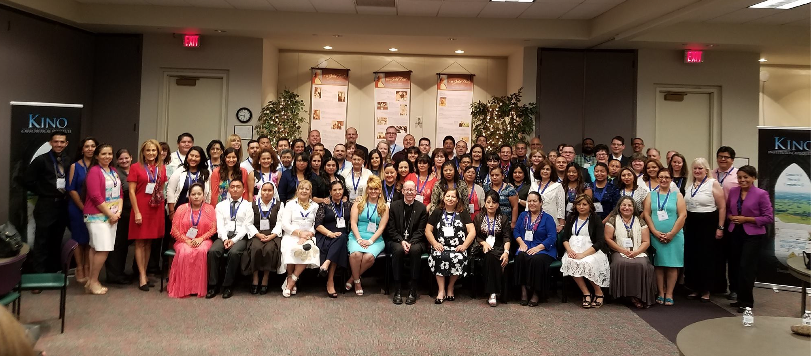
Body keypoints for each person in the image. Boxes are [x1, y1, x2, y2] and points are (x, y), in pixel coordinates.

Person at [23, 131, 71, 274]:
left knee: (57, 240)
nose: (59, 144)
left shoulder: (68, 160)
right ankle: (38, 275)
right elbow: (27, 181)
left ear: (66, 143)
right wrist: (43, 190)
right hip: (46, 204)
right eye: (56, 141)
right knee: (41, 241)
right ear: (51, 142)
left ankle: (53, 272)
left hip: (62, 205)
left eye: (62, 142)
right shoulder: (41, 160)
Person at [726, 165, 773, 312]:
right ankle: (739, 297)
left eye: (746, 177)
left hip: (753, 235)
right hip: (735, 232)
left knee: (746, 267)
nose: (742, 180)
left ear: (753, 178)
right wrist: (731, 217)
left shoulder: (761, 194)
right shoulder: (733, 191)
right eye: (740, 177)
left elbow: (768, 218)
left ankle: (746, 302)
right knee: (734, 266)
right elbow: (728, 210)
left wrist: (746, 219)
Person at [683, 158, 726, 303]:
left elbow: (722, 207)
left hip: (708, 223)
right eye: (695, 168)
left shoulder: (713, 184)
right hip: (691, 223)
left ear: (706, 170)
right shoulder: (689, 184)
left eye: (700, 168)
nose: (697, 171)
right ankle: (695, 287)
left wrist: (720, 227)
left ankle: (706, 290)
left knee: (707, 257)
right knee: (692, 256)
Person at [82, 144, 123, 295]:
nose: (107, 156)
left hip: (112, 216)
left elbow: (120, 194)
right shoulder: (94, 171)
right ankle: (93, 281)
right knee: (103, 249)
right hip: (97, 216)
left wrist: (117, 211)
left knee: (96, 248)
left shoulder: (113, 171)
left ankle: (91, 281)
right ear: (97, 156)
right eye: (104, 154)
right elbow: (95, 196)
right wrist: (110, 214)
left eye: (110, 154)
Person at [642, 169, 686, 306]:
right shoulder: (651, 195)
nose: (663, 179)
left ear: (671, 179)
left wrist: (672, 233)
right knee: (658, 265)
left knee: (673, 265)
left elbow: (683, 215)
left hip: (675, 236)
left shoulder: (677, 195)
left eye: (666, 177)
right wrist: (654, 231)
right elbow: (647, 214)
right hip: (656, 235)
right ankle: (661, 292)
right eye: (661, 177)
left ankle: (670, 293)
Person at [128, 139, 167, 291]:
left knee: (149, 242)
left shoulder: (161, 168)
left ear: (158, 152)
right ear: (143, 152)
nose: (151, 153)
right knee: (139, 242)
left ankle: (144, 272)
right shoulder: (135, 167)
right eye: (148, 150)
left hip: (155, 207)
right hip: (141, 207)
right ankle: (142, 275)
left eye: (154, 150)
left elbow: (161, 188)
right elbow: (131, 191)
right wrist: (137, 211)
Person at [604, 196, 656, 309]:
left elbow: (646, 241)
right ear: (619, 207)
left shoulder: (640, 221)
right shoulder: (613, 219)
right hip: (618, 250)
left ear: (634, 208)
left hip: (638, 251)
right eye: (624, 205)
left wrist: (637, 252)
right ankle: (626, 296)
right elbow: (608, 239)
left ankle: (640, 296)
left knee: (642, 264)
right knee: (620, 263)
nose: (626, 207)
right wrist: (622, 250)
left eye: (629, 205)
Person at [425, 188, 475, 304]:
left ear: (457, 200)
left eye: (453, 197)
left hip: (458, 248)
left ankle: (450, 287)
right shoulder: (437, 212)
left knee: (458, 257)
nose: (450, 199)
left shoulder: (463, 213)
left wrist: (464, 245)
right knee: (439, 256)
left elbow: (472, 231)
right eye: (448, 196)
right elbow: (428, 230)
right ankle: (441, 290)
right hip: (440, 246)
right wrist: (435, 243)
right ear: (443, 198)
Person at [167, 183, 216, 298]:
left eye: (199, 194)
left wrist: (201, 239)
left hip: (203, 239)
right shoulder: (181, 209)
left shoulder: (209, 209)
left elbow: (213, 228)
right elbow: (174, 229)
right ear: (189, 196)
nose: (196, 197)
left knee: (201, 251)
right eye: (193, 194)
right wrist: (186, 240)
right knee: (185, 252)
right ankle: (185, 287)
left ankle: (197, 287)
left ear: (204, 196)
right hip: (183, 240)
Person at [561, 194, 610, 309]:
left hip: (591, 250)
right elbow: (565, 238)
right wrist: (569, 250)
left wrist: (583, 254)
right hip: (572, 249)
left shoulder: (595, 219)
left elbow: (600, 241)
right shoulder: (571, 217)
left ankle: (599, 293)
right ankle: (586, 293)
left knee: (587, 263)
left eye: (584, 204)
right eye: (579, 204)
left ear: (590, 206)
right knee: (571, 262)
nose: (581, 207)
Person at [208, 179, 252, 299]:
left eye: (238, 187)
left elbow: (247, 226)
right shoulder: (221, 205)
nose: (235, 189)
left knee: (234, 252)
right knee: (213, 251)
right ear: (228, 189)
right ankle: (213, 285)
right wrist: (225, 239)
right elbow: (220, 225)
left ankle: (228, 285)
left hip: (240, 237)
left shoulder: (248, 206)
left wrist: (234, 240)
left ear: (243, 190)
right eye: (232, 187)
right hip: (224, 236)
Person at [386, 181, 428, 305]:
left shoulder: (421, 208)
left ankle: (412, 289)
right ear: (402, 191)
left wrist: (411, 242)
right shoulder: (394, 206)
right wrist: (402, 241)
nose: (409, 192)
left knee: (415, 250)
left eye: (412, 190)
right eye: (407, 190)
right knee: (398, 250)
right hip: (397, 240)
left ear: (416, 192)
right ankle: (397, 289)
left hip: (416, 241)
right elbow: (391, 229)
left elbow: (421, 230)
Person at [346, 175, 390, 295]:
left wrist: (370, 241)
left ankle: (353, 278)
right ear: (367, 189)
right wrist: (359, 239)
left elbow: (381, 227)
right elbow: (353, 223)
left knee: (368, 257)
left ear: (380, 190)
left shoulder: (384, 207)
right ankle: (358, 282)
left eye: (376, 189)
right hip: (357, 235)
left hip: (375, 238)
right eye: (371, 188)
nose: (373, 191)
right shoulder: (359, 203)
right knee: (356, 255)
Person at [512, 192, 557, 306]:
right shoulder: (523, 216)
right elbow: (516, 231)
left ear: (541, 203)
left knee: (536, 260)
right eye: (529, 201)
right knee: (520, 257)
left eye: (535, 201)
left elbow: (552, 237)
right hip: (525, 246)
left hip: (543, 249)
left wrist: (538, 248)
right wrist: (521, 243)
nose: (532, 203)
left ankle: (536, 294)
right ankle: (524, 292)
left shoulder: (547, 218)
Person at [278, 180, 321, 297]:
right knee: (291, 247)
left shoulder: (315, 206)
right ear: (297, 190)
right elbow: (285, 224)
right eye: (301, 188)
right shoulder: (290, 204)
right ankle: (289, 275)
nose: (304, 191)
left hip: (309, 236)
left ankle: (292, 280)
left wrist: (307, 236)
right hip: (292, 234)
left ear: (310, 192)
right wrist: (299, 233)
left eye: (307, 189)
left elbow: (315, 225)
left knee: (307, 249)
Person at [471, 191, 511, 306]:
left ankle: (493, 292)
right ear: (484, 203)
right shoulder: (479, 218)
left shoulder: (503, 218)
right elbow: (476, 236)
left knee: (493, 255)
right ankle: (493, 293)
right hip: (482, 248)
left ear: (498, 205)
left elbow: (506, 237)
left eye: (494, 202)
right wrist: (483, 243)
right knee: (489, 255)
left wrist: (506, 252)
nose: (491, 205)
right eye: (488, 202)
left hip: (499, 248)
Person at [241, 182, 282, 295]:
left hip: (272, 234)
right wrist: (258, 234)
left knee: (269, 249)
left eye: (269, 190)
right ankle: (255, 278)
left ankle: (265, 278)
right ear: (260, 191)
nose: (267, 193)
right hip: (257, 233)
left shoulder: (279, 205)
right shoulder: (253, 205)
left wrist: (272, 236)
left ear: (273, 192)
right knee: (255, 248)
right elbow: (248, 223)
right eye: (264, 190)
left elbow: (280, 223)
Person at [66, 137, 97, 284]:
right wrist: (83, 207)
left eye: (93, 146)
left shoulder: (99, 166)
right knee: (79, 239)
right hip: (78, 208)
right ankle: (79, 267)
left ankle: (87, 266)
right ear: (82, 149)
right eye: (87, 146)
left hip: (96, 209)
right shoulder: (75, 166)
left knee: (90, 239)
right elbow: (71, 189)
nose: (90, 149)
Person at [315, 181, 351, 298]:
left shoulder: (348, 205)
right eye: (334, 190)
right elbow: (318, 225)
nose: (338, 192)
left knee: (341, 237)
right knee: (339, 241)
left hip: (342, 236)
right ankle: (330, 281)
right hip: (326, 235)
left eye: (340, 189)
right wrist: (330, 233)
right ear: (330, 192)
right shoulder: (324, 205)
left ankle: (326, 266)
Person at [106, 149, 133, 284]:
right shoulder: (115, 173)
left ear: (131, 158)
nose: (124, 161)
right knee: (118, 244)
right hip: (120, 211)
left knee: (125, 244)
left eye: (126, 158)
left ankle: (121, 272)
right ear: (117, 161)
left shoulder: (134, 170)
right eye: (121, 159)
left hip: (132, 212)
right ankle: (114, 275)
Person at [167, 146, 210, 220]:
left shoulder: (206, 173)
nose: (193, 158)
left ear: (201, 158)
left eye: (196, 156)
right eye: (191, 155)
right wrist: (171, 212)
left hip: (200, 211)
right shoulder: (180, 171)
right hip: (179, 209)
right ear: (187, 157)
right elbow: (170, 190)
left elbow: (209, 194)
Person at [530, 159, 565, 232]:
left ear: (551, 172)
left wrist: (561, 224)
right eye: (543, 169)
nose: (545, 171)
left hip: (551, 220)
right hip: (533, 220)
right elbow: (528, 203)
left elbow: (561, 206)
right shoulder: (533, 185)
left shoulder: (557, 186)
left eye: (547, 169)